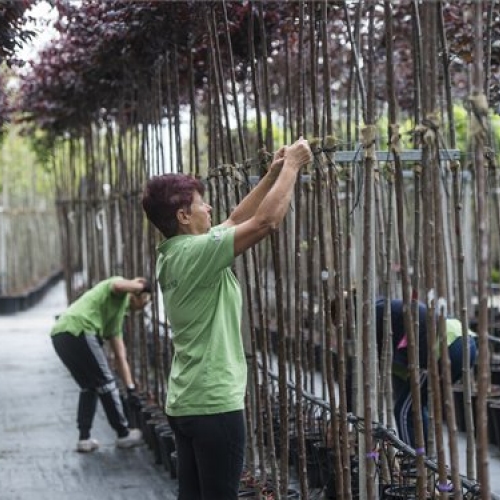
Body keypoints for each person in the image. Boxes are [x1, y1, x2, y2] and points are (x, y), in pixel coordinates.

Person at [142, 138, 312, 500]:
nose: (210, 208)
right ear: (183, 216)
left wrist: (271, 176)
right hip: (214, 402)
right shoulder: (197, 254)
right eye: (202, 203)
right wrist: (294, 167)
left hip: (186, 400)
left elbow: (236, 218)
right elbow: (265, 222)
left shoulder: (175, 253)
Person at [333, 295, 477, 447]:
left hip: (447, 345)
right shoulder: (381, 312)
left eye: (341, 324)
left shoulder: (372, 316)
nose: (344, 331)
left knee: (403, 410)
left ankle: (412, 462)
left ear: (347, 313)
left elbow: (358, 370)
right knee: (416, 406)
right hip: (461, 340)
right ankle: (424, 458)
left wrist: (342, 413)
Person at [51, 276, 151, 452]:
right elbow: (118, 285)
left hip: (61, 334)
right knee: (106, 382)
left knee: (89, 386)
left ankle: (84, 439)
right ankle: (123, 433)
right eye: (145, 298)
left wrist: (130, 388)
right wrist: (141, 286)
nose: (145, 303)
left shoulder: (118, 315)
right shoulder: (118, 290)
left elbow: (121, 355)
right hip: (80, 329)